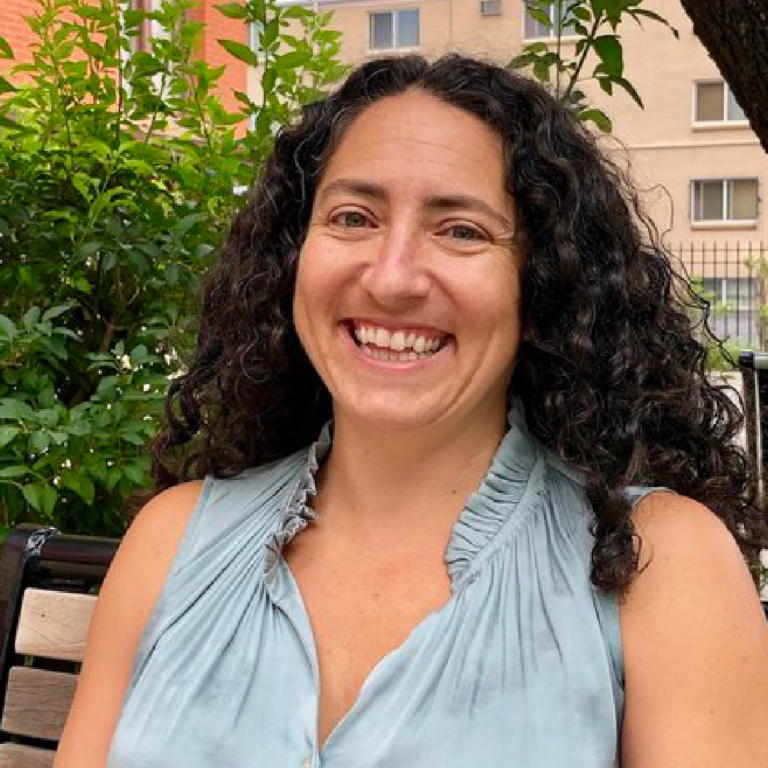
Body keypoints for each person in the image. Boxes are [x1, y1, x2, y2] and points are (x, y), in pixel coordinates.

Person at [55, 54, 768, 768]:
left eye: (460, 230)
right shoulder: (170, 542)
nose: (392, 277)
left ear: (543, 282)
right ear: (293, 256)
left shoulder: (661, 564)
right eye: (354, 217)